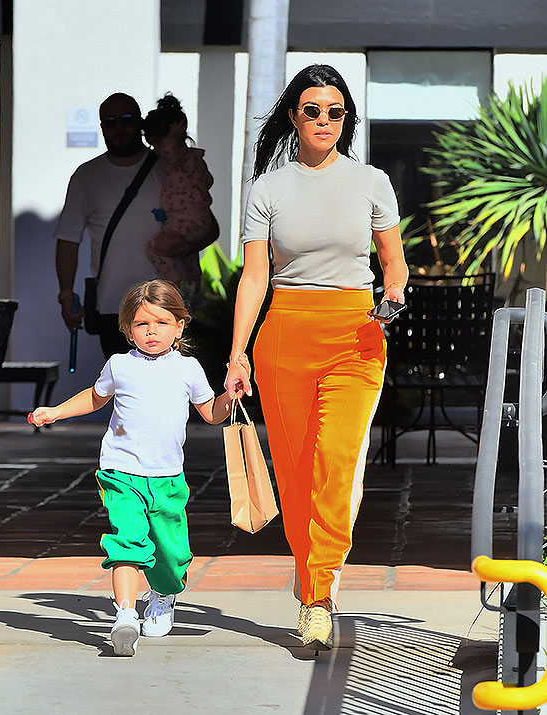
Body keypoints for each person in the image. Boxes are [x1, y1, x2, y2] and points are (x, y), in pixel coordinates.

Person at [225, 64, 408, 652]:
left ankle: (320, 589)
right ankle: (313, 592)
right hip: (284, 337)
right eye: (312, 110)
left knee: (335, 462)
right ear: (293, 117)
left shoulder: (372, 182)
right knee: (297, 474)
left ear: (346, 119)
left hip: (357, 337)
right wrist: (237, 354)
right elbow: (254, 278)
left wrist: (393, 297)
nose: (324, 120)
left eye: (335, 111)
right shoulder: (267, 189)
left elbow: (393, 262)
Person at [29, 279, 237, 656]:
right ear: (128, 329)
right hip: (120, 472)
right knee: (127, 542)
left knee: (171, 557)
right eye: (142, 324)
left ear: (179, 327)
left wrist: (230, 394)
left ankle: (163, 593)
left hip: (167, 479)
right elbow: (95, 398)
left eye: (161, 322)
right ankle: (125, 615)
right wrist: (56, 411)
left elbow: (211, 413)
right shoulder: (120, 365)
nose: (151, 331)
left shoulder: (188, 369)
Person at [54, 92, 165, 358]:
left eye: (126, 119)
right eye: (110, 122)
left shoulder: (168, 168)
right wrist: (66, 294)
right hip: (112, 307)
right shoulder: (86, 176)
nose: (119, 128)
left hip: (165, 303)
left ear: (140, 122)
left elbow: (198, 225)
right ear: (102, 127)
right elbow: (68, 239)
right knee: (122, 381)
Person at [143, 94, 219, 295]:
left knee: (154, 248)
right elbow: (208, 181)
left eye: (158, 144)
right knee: (189, 255)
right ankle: (195, 285)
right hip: (197, 223)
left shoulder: (179, 159)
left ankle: (174, 282)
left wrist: (176, 135)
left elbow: (206, 180)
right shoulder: (193, 159)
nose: (156, 150)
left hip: (183, 222)